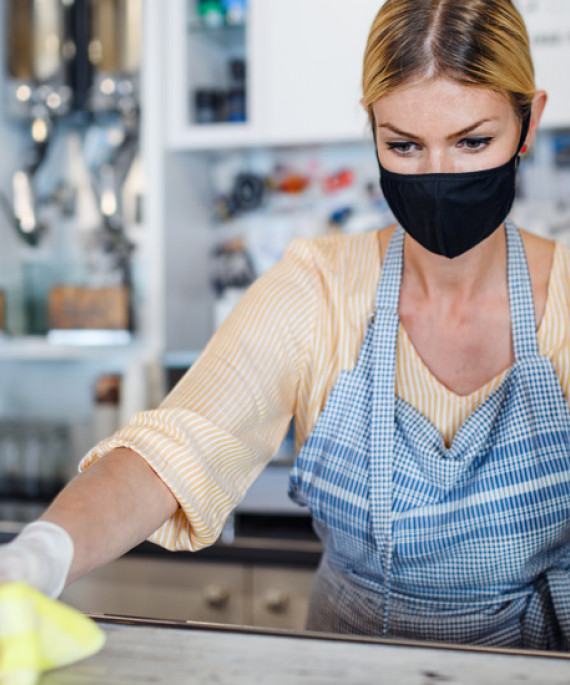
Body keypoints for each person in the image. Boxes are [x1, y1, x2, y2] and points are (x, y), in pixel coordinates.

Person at [2, 0, 569, 650]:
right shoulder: (317, 289)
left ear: (529, 121)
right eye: (404, 145)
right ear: (372, 129)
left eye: (473, 141)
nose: (437, 174)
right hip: (348, 663)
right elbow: (179, 442)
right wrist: (39, 553)